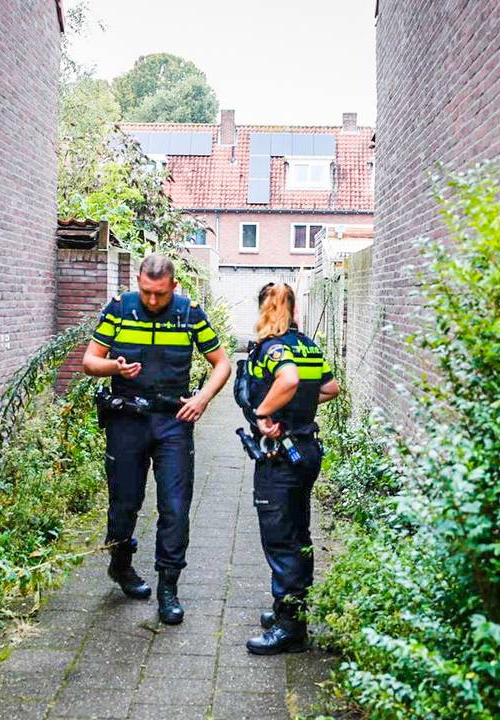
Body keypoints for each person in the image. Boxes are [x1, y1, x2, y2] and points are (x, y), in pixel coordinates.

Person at [81, 253, 231, 624]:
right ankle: (121, 563)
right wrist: (113, 366)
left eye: (159, 294)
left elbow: (222, 363)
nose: (151, 301)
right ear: (137, 282)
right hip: (126, 420)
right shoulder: (118, 309)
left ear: (173, 287)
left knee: (175, 506)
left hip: (173, 421)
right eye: (146, 292)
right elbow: (89, 361)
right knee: (123, 504)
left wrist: (202, 398)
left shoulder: (188, 313)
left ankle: (169, 587)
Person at [238, 282, 339, 654]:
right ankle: (291, 609)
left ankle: (289, 629)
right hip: (307, 450)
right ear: (294, 310)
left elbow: (290, 379)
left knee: (280, 538)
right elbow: (330, 388)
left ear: (264, 309)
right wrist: (300, 409)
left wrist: (265, 410)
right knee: (299, 533)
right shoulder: (307, 346)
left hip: (281, 456)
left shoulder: (272, 348)